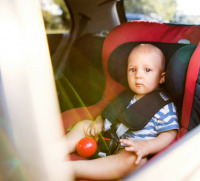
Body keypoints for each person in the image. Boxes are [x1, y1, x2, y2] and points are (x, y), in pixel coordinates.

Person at [65, 44, 179, 180]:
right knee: (84, 124)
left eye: (147, 70)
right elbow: (108, 114)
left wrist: (147, 146)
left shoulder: (164, 106)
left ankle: (73, 169)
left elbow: (170, 133)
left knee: (136, 161)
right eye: (133, 70)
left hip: (128, 149)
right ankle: (54, 152)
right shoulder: (124, 96)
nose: (138, 75)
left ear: (161, 77)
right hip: (106, 139)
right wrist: (97, 123)